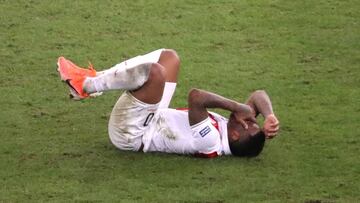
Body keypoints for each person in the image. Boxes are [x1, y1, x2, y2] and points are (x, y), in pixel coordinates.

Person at [57, 49, 279, 158]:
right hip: (155, 117)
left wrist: (236, 107)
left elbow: (196, 97)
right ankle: (91, 78)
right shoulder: (234, 131)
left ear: (235, 135)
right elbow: (259, 95)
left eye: (247, 122)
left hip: (132, 134)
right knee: (170, 57)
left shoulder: (210, 142)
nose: (247, 118)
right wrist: (269, 115)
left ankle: (86, 86)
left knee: (156, 73)